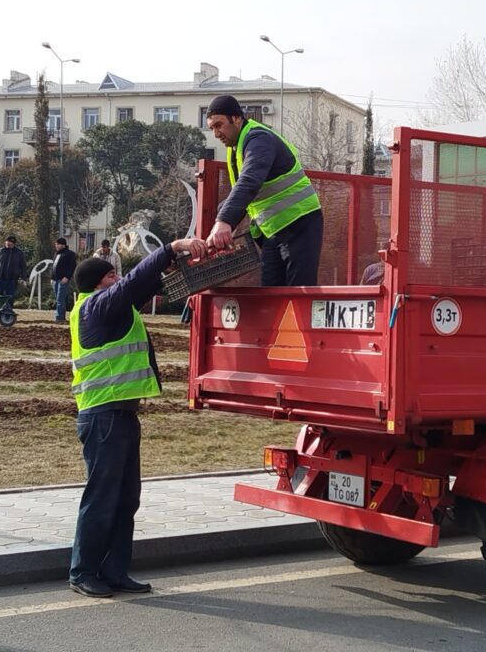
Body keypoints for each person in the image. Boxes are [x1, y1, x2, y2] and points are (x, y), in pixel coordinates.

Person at [67, 236, 209, 598]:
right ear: (100, 282)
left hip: (122, 413)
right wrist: (171, 248)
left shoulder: (110, 306)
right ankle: (83, 573)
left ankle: (114, 571)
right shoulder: (95, 308)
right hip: (103, 416)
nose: (118, 277)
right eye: (112, 274)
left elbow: (142, 284)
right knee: (102, 498)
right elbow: (134, 283)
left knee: (126, 498)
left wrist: (176, 266)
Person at [204, 94, 323, 286]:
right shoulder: (236, 147)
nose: (216, 133)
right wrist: (224, 223)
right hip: (274, 230)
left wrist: (224, 221)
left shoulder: (259, 139)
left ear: (236, 118)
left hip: (300, 223)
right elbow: (245, 192)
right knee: (271, 294)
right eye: (212, 128)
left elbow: (250, 180)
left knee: (298, 293)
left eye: (219, 125)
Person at [0, 235, 27, 306]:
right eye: (7, 241)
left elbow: (23, 266)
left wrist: (24, 278)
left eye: (10, 242)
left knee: (10, 298)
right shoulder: (0, 251)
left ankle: (7, 314)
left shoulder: (19, 253)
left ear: (14, 243)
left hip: (12, 280)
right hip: (0, 279)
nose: (8, 243)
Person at [52, 236, 78, 322]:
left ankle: (59, 317)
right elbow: (54, 266)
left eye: (57, 244)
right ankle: (61, 316)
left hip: (63, 279)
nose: (56, 246)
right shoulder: (56, 254)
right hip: (55, 279)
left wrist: (67, 276)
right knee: (58, 299)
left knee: (60, 298)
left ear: (63, 245)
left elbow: (72, 266)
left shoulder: (69, 254)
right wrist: (52, 277)